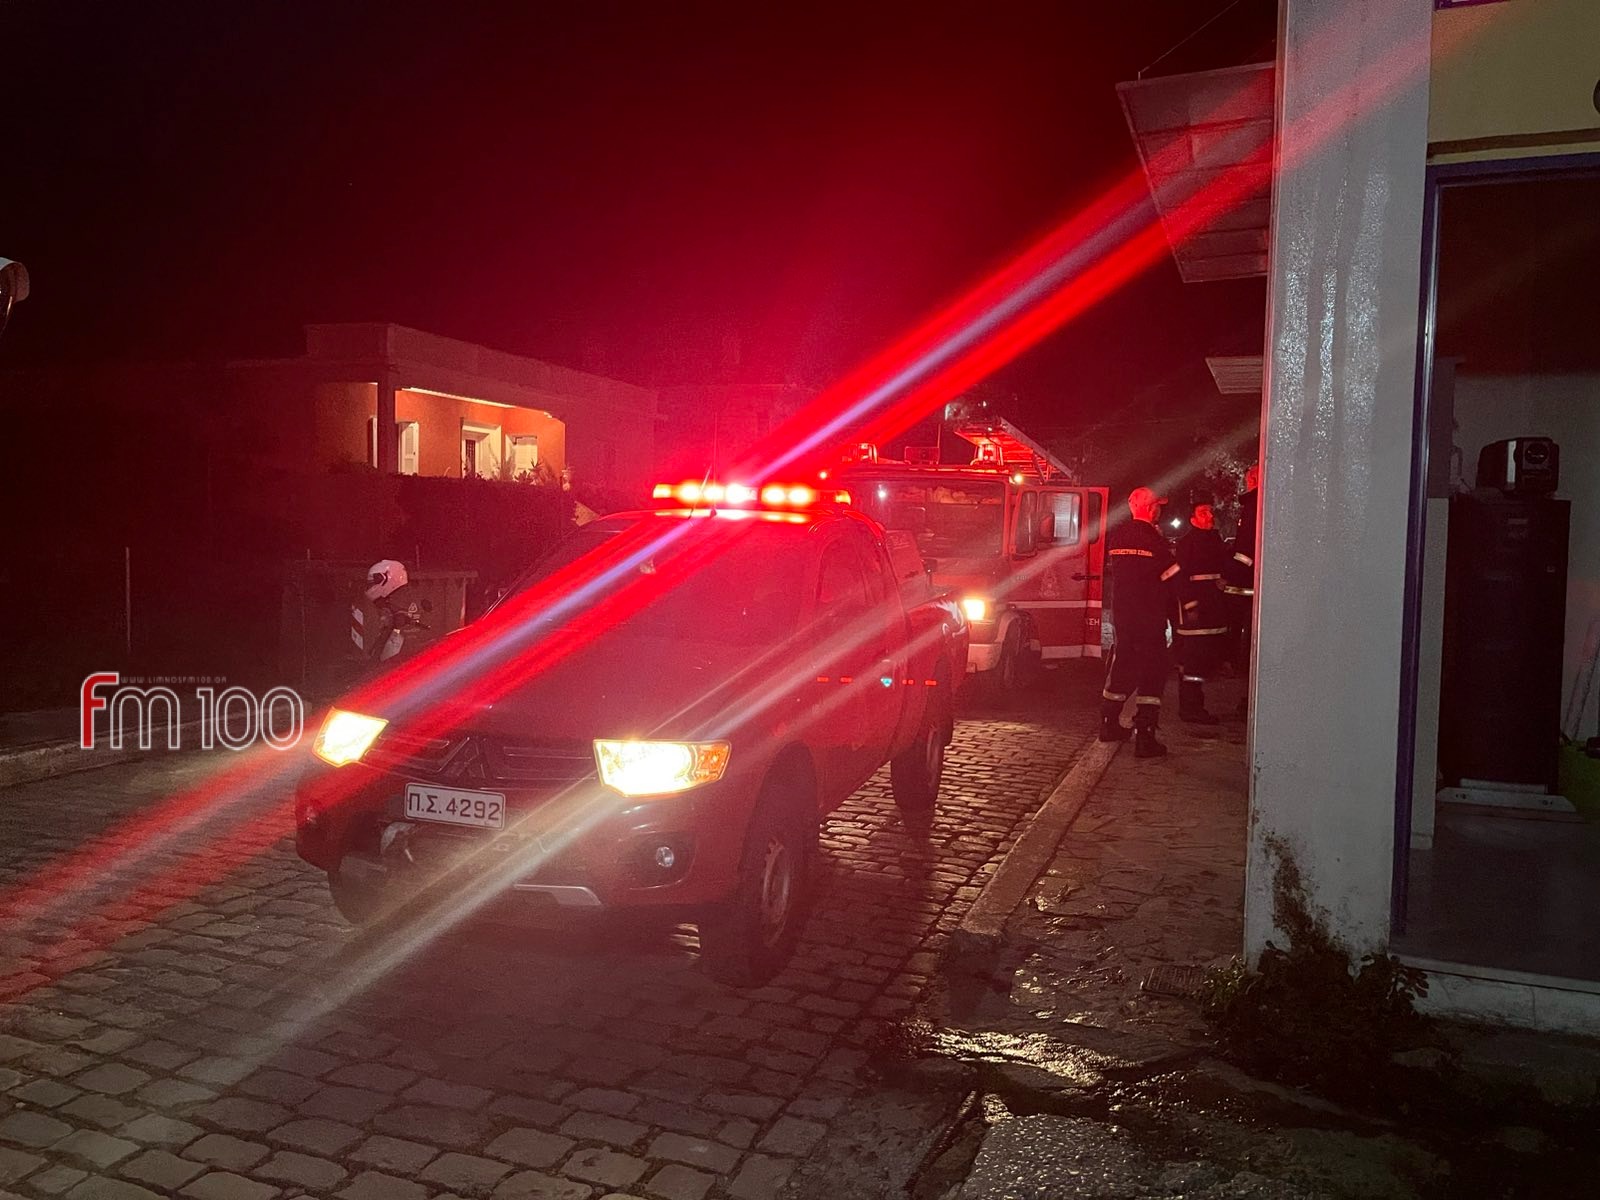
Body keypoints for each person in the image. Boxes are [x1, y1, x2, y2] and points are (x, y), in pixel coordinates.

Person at [1099, 486, 1179, 758]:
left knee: (1122, 664)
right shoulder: (1154, 540)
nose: (1160, 510)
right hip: (1150, 615)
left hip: (1123, 615)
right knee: (1152, 671)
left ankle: (1108, 723)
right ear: (1149, 508)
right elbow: (1171, 575)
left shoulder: (1119, 536)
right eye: (1158, 505)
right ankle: (1145, 736)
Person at [1173, 504, 1230, 724]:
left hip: (1212, 608)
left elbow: (1224, 565)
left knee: (1203, 659)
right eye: (1203, 513)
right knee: (1193, 660)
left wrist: (1224, 579)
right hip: (1196, 612)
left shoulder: (1215, 540)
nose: (1210, 516)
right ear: (1193, 519)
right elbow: (1180, 577)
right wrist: (1190, 605)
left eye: (1210, 512)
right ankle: (1190, 707)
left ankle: (1195, 705)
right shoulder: (1187, 542)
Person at [1224, 464, 1260, 716]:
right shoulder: (1258, 504)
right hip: (1251, 584)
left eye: (1249, 479)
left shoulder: (1253, 505)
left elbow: (1245, 550)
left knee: (1248, 645)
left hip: (1247, 586)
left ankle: (1249, 700)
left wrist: (1230, 574)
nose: (1246, 483)